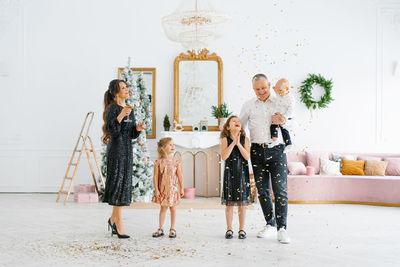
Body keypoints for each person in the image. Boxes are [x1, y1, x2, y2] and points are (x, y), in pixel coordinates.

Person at [239, 73, 291, 244]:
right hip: (256, 152)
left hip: (277, 151)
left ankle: (282, 228)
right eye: (257, 89)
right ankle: (270, 223)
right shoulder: (248, 105)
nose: (261, 91)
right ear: (253, 89)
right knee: (262, 191)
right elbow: (241, 128)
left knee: (280, 191)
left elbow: (293, 121)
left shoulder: (280, 101)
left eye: (263, 87)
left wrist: (284, 121)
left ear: (269, 85)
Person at [101, 79, 146, 239]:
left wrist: (138, 129)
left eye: (127, 87)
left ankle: (113, 219)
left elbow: (131, 134)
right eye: (123, 88)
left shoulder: (130, 110)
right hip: (116, 150)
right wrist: (120, 115)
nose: (127, 89)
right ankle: (118, 223)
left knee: (123, 184)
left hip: (127, 151)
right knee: (118, 184)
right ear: (115, 92)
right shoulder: (112, 109)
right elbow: (112, 131)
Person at [220, 116, 251, 239]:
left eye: (238, 121)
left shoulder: (245, 139)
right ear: (228, 127)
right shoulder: (225, 140)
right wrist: (233, 143)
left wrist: (239, 144)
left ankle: (242, 229)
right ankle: (229, 229)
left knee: (242, 205)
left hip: (242, 174)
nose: (237, 122)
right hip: (230, 174)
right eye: (234, 121)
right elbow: (224, 156)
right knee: (229, 204)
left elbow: (247, 157)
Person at [152, 137, 184, 239]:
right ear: (163, 148)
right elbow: (156, 176)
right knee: (163, 208)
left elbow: (180, 175)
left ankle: (172, 228)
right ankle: (160, 228)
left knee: (173, 208)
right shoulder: (159, 162)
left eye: (173, 145)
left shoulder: (176, 161)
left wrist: (182, 188)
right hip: (163, 190)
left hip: (173, 190)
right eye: (170, 145)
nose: (173, 146)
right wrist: (156, 190)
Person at [269, 78, 294, 151]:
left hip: (286, 116)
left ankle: (288, 143)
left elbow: (291, 109)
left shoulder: (290, 98)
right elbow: (278, 94)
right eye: (277, 90)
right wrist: (275, 89)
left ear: (286, 89)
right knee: (273, 126)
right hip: (278, 115)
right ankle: (274, 140)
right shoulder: (280, 94)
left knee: (284, 129)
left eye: (280, 90)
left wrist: (285, 117)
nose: (278, 92)